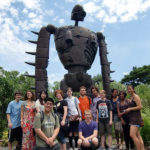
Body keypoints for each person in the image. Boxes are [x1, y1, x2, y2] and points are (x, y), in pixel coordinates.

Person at [125, 85, 144, 150]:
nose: (129, 90)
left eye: (130, 89)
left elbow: (140, 106)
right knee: (138, 135)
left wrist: (130, 108)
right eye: (128, 89)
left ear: (133, 89)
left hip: (136, 118)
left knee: (132, 135)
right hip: (132, 118)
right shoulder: (132, 97)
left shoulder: (136, 96)